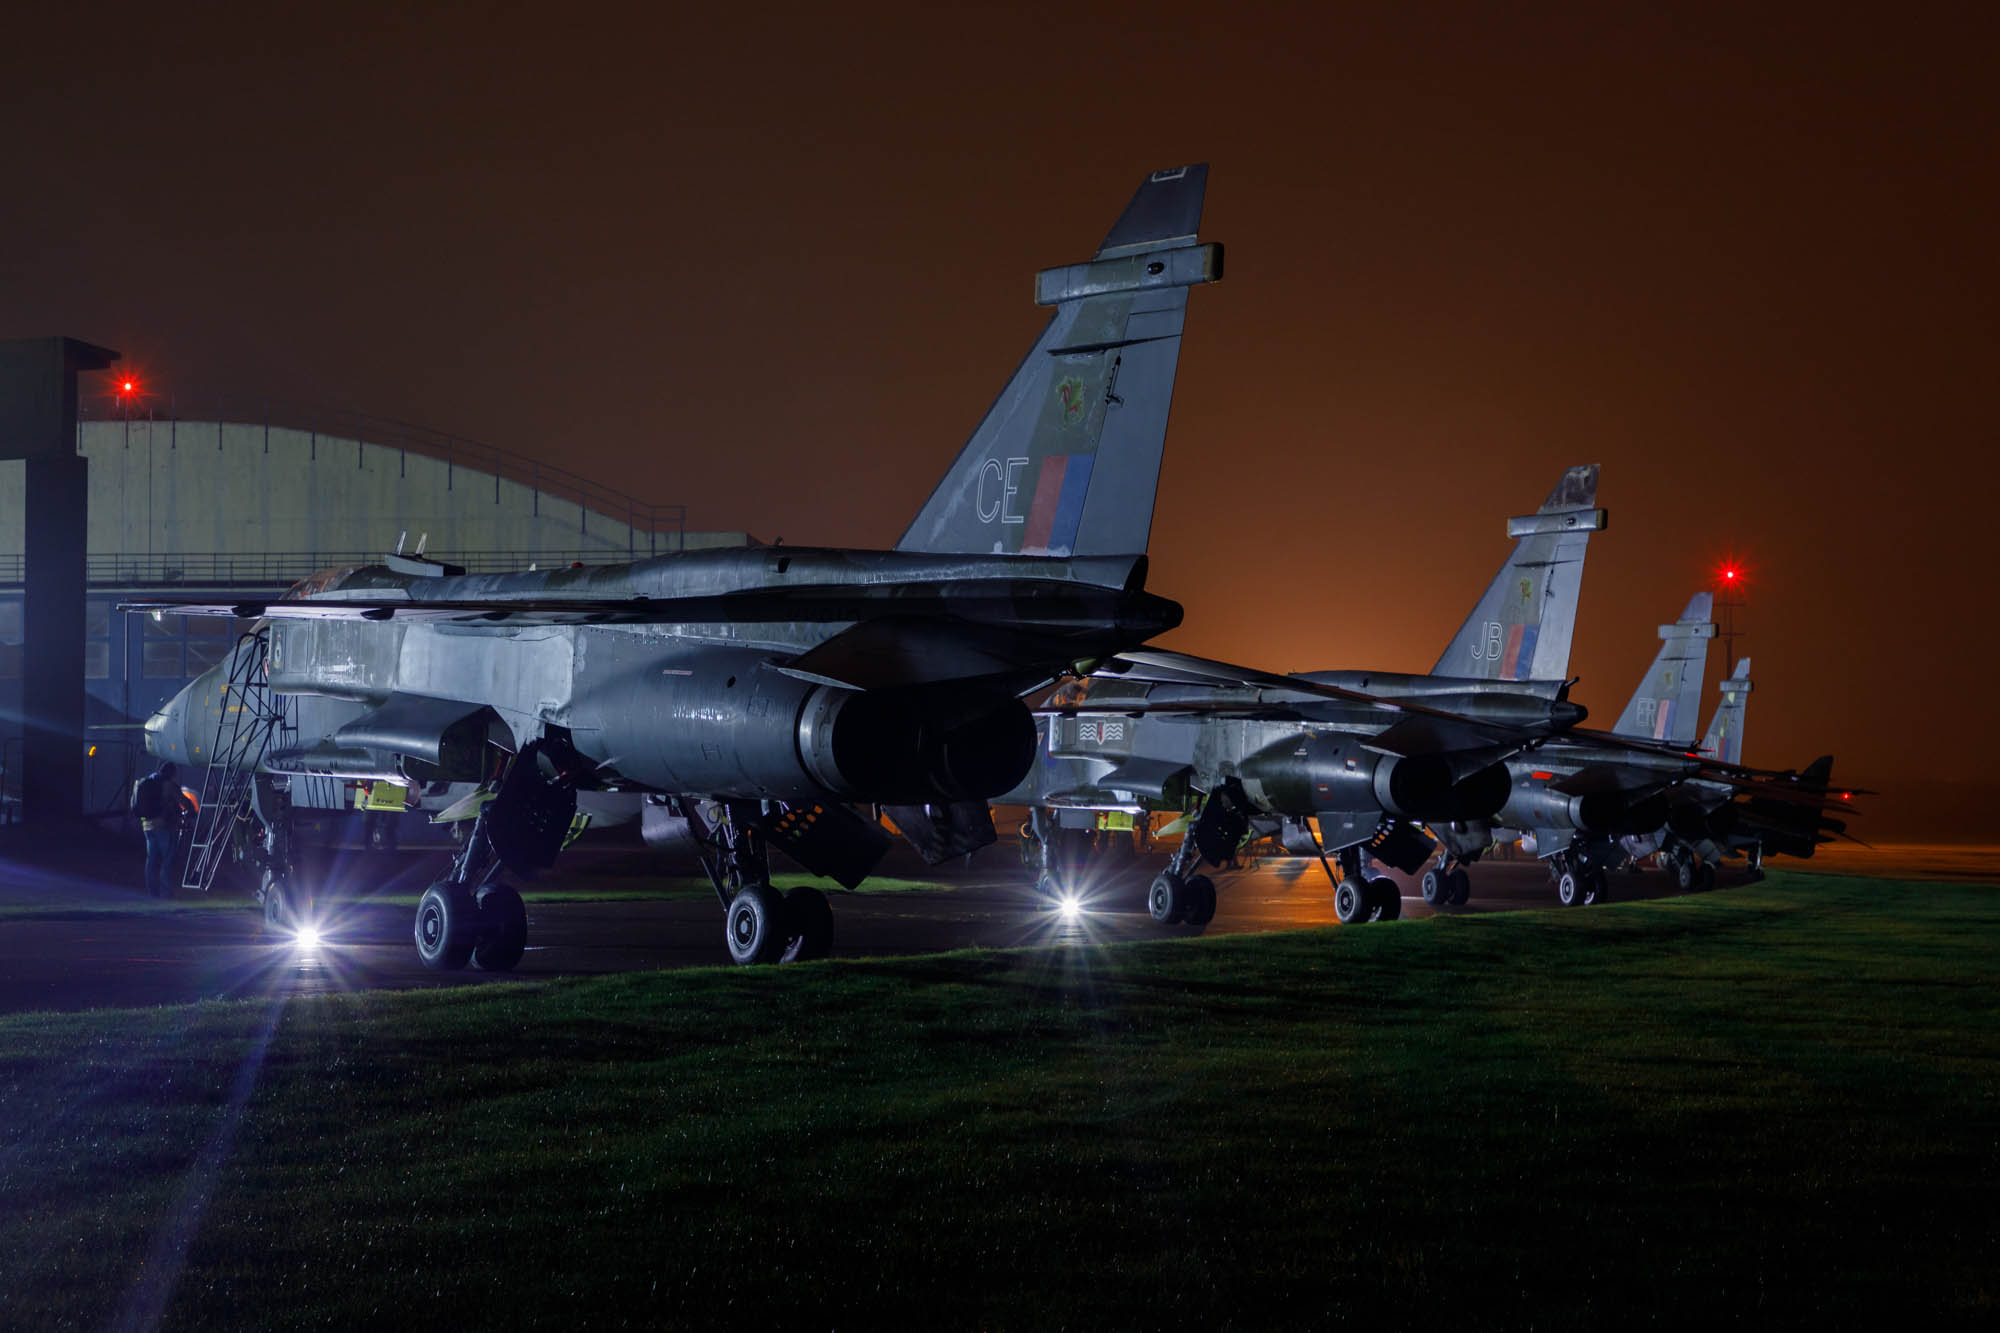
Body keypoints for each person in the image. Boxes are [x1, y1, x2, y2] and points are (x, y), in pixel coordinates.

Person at [134, 762, 185, 899]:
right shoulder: (168, 784)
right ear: (172, 773)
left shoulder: (145, 782)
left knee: (151, 861)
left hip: (147, 826)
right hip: (163, 826)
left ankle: (153, 894)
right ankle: (166, 894)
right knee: (167, 861)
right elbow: (185, 803)